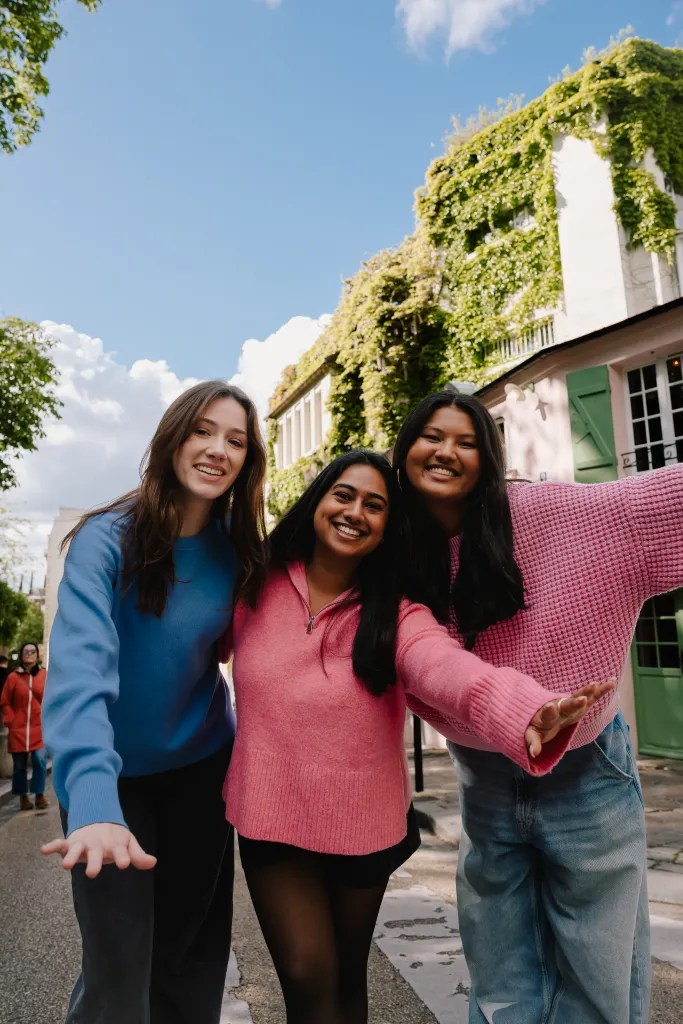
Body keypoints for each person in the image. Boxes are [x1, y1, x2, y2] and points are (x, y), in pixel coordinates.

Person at [222, 450, 613, 1024]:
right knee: (308, 978)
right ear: (318, 501)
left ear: (387, 528)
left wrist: (528, 711)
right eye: (344, 495)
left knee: (347, 979)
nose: (356, 511)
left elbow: (450, 671)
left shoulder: (396, 614)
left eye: (375, 505)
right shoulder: (254, 583)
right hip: (270, 817)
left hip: (361, 824)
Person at [392, 389, 683, 1024]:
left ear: (489, 459)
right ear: (404, 449)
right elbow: (418, 652)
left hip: (586, 769)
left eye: (467, 441)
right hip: (484, 775)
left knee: (598, 975)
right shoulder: (396, 553)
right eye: (431, 436)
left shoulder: (550, 512)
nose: (446, 451)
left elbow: (657, 504)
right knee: (500, 976)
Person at [40, 380, 267, 1024]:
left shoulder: (239, 552)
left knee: (191, 961)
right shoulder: (104, 540)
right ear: (171, 438)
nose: (217, 449)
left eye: (236, 440)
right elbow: (80, 672)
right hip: (111, 785)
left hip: (199, 772)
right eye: (203, 430)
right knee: (117, 969)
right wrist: (90, 801)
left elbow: (257, 657)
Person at [0, 641, 49, 811]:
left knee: (40, 761)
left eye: (32, 651)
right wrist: (10, 720)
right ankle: (23, 797)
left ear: (37, 655)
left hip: (38, 728)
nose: (29, 653)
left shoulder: (44, 675)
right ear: (21, 655)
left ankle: (40, 795)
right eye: (26, 651)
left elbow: (50, 700)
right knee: (19, 766)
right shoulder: (13, 677)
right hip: (18, 729)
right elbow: (5, 701)